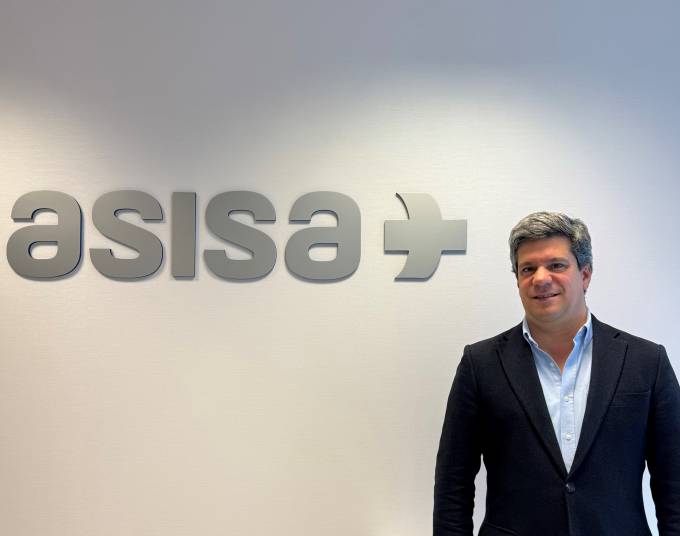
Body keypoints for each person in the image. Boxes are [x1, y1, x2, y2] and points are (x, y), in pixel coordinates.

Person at [433, 212, 680, 536]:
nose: (540, 278)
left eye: (556, 265)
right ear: (517, 280)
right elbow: (453, 484)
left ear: (585, 274)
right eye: (527, 269)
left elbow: (674, 481)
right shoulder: (480, 364)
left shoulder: (646, 362)